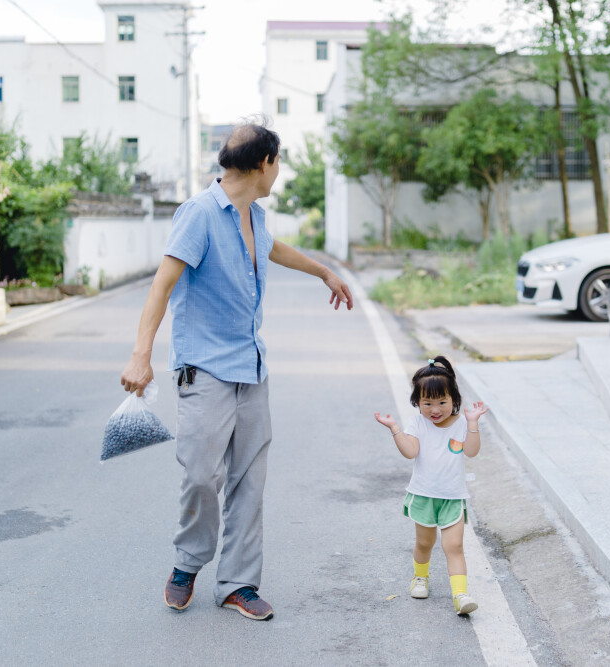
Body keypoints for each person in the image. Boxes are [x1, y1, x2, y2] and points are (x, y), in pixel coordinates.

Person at [120, 118, 354, 620]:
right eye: (278, 163)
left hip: (251, 367)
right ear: (263, 163)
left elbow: (273, 249)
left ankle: (238, 584)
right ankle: (188, 562)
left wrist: (325, 273)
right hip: (204, 368)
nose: (278, 173)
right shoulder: (200, 214)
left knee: (250, 479)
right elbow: (161, 285)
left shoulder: (254, 216)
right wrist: (142, 354)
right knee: (202, 474)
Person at [373, 356, 489, 616]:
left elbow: (471, 451)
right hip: (424, 495)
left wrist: (472, 424)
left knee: (454, 546)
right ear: (417, 402)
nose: (435, 409)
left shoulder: (461, 424)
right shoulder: (417, 423)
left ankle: (460, 594)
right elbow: (410, 451)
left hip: (452, 498)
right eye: (427, 403)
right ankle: (420, 578)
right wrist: (395, 429)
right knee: (425, 543)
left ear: (454, 399)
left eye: (442, 402)